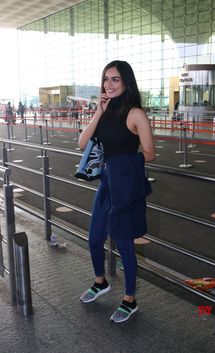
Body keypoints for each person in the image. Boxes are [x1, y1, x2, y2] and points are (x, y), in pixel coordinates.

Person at [78, 60, 155, 323]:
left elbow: (150, 153)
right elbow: (82, 143)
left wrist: (122, 164)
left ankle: (130, 299)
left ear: (126, 82)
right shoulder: (105, 109)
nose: (108, 85)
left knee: (124, 245)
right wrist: (98, 112)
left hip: (125, 186)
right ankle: (100, 282)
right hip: (106, 185)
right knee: (94, 238)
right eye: (105, 79)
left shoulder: (135, 114)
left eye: (115, 80)